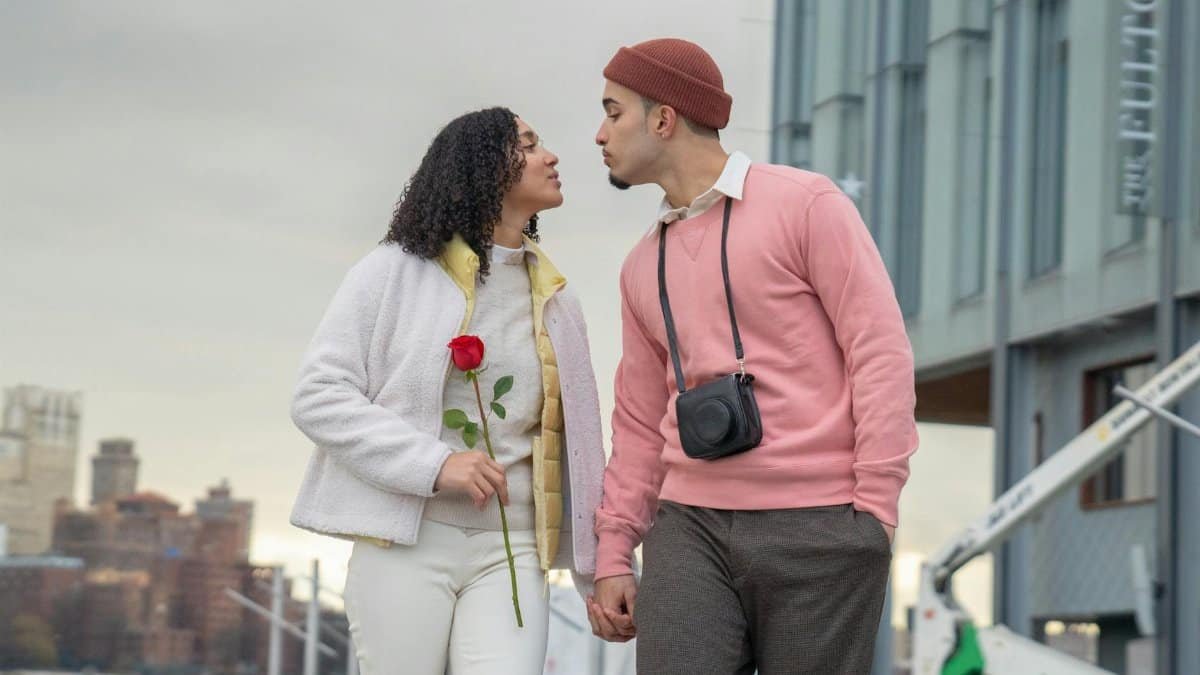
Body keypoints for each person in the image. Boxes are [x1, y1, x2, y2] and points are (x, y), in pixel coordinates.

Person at [587, 38, 918, 674]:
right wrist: (614, 550)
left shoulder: (806, 205)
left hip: (823, 522)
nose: (600, 133)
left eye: (613, 111)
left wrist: (875, 510)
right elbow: (636, 419)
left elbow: (879, 350)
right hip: (690, 528)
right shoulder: (640, 266)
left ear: (664, 119)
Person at [288, 107, 606, 674]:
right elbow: (319, 394)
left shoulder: (558, 298)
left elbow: (581, 443)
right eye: (529, 145)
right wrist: (435, 464)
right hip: (407, 543)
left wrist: (601, 565)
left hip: (512, 551)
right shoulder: (391, 272)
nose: (551, 156)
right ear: (483, 167)